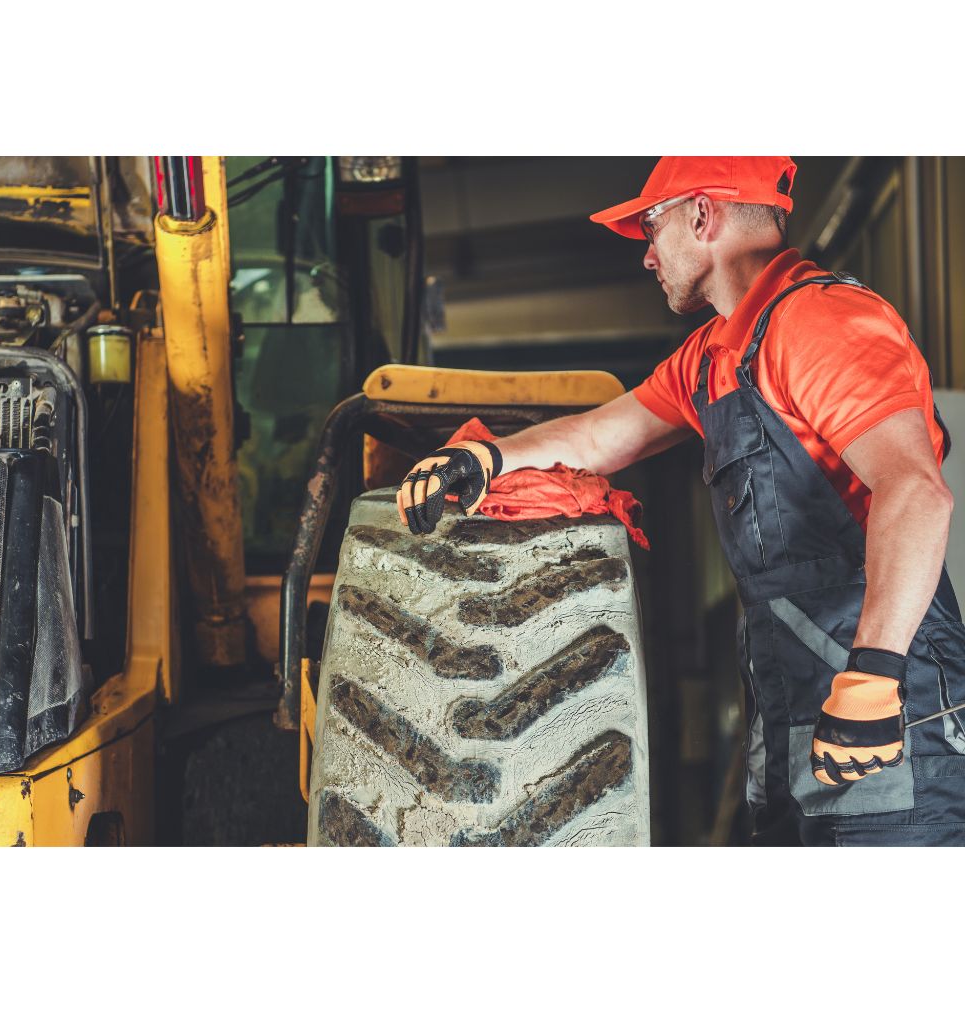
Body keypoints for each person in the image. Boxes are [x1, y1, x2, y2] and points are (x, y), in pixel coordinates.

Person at [397, 155, 965, 847]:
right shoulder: (712, 356)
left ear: (702, 214)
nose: (646, 255)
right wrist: (480, 458)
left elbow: (917, 492)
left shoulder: (822, 320)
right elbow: (600, 435)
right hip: (794, 707)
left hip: (883, 710)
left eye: (650, 226)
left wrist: (875, 675)